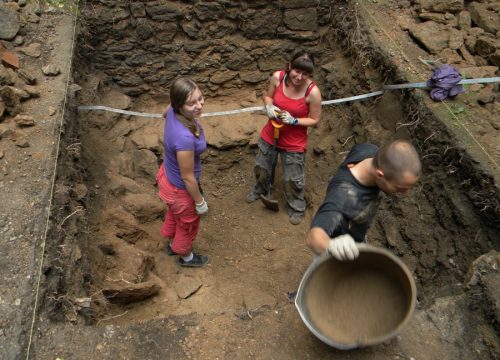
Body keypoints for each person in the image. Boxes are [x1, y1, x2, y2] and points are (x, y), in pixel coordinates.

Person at [306, 139, 422, 260]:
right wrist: (331, 245)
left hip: (356, 233)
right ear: (379, 175)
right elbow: (314, 239)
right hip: (338, 251)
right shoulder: (343, 198)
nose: (404, 193)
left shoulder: (369, 151)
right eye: (400, 188)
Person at [246, 49, 322, 225]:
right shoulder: (277, 77)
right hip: (271, 133)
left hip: (294, 142)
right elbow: (267, 97)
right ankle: (260, 190)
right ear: (290, 66)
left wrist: (294, 120)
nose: (299, 77)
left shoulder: (313, 92)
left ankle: (296, 205)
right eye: (296, 71)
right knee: (262, 167)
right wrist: (269, 107)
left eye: (305, 73)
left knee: (292, 178)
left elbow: (315, 119)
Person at [156, 77, 209, 267]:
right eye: (191, 103)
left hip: (167, 178)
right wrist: (199, 202)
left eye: (200, 98)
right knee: (188, 224)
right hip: (180, 190)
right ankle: (186, 256)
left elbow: (164, 113)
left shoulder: (171, 110)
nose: (199, 105)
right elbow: (188, 177)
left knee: (173, 213)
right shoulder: (185, 138)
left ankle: (171, 242)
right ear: (179, 104)